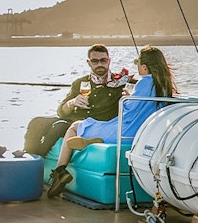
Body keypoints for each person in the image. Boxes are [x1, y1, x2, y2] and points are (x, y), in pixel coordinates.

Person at [47, 46, 176, 199]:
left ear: (144, 66)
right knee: (88, 124)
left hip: (124, 132)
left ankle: (59, 172)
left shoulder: (143, 83)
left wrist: (126, 98)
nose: (136, 65)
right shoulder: (163, 85)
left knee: (74, 127)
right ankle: (92, 140)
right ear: (89, 63)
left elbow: (128, 109)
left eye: (137, 61)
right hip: (141, 133)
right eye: (95, 61)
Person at [24, 44, 127, 156]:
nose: (100, 64)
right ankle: (28, 155)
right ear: (89, 63)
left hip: (93, 125)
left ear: (109, 61)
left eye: (103, 60)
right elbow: (61, 112)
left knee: (59, 126)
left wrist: (130, 95)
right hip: (72, 120)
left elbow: (144, 85)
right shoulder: (80, 83)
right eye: (95, 61)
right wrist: (72, 103)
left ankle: (38, 158)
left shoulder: (121, 83)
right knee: (37, 122)